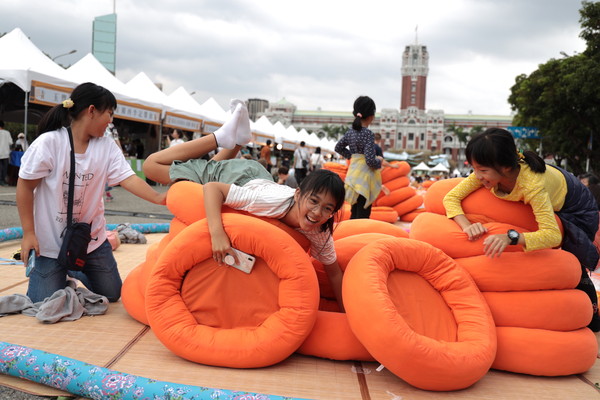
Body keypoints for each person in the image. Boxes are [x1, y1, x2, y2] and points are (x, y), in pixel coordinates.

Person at [142, 106, 347, 310]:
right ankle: (220, 137)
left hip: (258, 177)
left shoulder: (321, 233)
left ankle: (238, 141)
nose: (317, 213)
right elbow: (213, 189)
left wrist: (346, 312)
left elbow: (334, 273)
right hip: (238, 176)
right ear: (298, 194)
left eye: (327, 208)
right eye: (313, 201)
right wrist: (217, 234)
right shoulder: (269, 203)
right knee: (151, 166)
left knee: (203, 170)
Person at [17, 82, 167, 304]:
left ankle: (73, 270)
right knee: (42, 302)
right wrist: (29, 233)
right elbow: (25, 186)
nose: (111, 120)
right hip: (49, 243)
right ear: (91, 111)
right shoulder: (49, 143)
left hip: (90, 240)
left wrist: (159, 198)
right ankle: (62, 268)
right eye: (109, 113)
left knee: (112, 293)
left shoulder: (106, 147)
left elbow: (129, 179)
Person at [443, 127, 600, 331]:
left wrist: (511, 237)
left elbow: (552, 235)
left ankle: (593, 318)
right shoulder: (489, 171)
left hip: (576, 208)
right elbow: (450, 197)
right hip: (553, 193)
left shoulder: (532, 186)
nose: (477, 176)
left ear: (506, 167)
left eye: (482, 170)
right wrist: (467, 225)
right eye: (474, 169)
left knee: (571, 264)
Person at [335, 96, 383, 219]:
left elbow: (338, 147)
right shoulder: (368, 134)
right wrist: (379, 162)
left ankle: (351, 234)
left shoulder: (350, 132)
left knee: (354, 209)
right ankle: (359, 235)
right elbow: (369, 160)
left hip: (353, 173)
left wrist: (353, 157)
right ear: (371, 116)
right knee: (363, 211)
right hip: (364, 177)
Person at [0, 121, 13, 186]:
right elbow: (10, 142)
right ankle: (3, 181)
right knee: (4, 168)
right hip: (5, 153)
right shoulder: (7, 133)